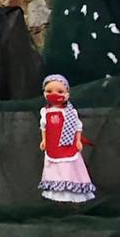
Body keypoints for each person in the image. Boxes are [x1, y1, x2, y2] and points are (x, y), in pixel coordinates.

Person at [39, 74, 95, 204]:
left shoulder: (70, 112)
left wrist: (78, 140)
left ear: (67, 93)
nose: (54, 94)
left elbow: (77, 127)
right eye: (49, 91)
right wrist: (44, 140)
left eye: (59, 91)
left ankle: (73, 195)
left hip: (68, 146)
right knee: (54, 168)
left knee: (69, 167)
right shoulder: (45, 112)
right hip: (53, 146)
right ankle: (57, 196)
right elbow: (44, 127)